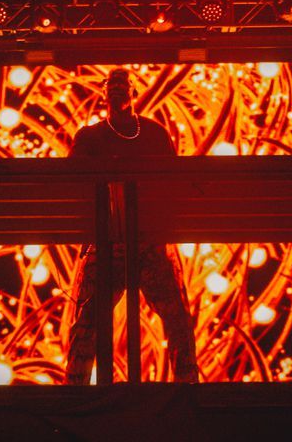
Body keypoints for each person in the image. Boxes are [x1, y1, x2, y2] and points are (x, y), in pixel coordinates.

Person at [63, 68, 198, 383]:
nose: (117, 91)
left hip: (136, 241)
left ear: (135, 92)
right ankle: (75, 387)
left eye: (123, 86)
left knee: (93, 320)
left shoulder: (150, 132)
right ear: (103, 92)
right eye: (112, 85)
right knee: (89, 321)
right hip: (118, 242)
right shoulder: (94, 135)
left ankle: (76, 386)